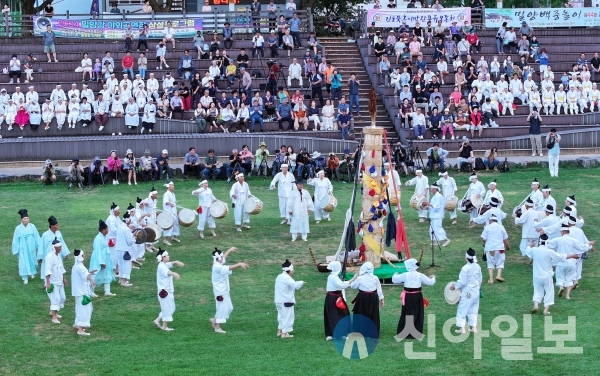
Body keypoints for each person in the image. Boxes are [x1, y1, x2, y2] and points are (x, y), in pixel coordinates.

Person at [525, 234, 580, 315]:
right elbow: (561, 257)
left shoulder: (534, 250)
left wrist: (530, 246)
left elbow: (528, 250)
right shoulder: (549, 251)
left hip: (537, 275)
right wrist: (572, 255)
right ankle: (545, 310)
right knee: (549, 292)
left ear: (539, 242)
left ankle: (536, 305)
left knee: (537, 291)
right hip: (547, 276)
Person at [391, 258, 435, 340]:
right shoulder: (420, 275)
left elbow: (394, 280)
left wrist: (395, 274)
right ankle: (415, 332)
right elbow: (430, 282)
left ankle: (405, 333)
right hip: (417, 296)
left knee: (407, 313)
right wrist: (433, 277)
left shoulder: (405, 274)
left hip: (408, 296)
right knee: (417, 313)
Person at [546, 225, 592, 300]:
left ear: (562, 232)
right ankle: (567, 295)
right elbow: (582, 247)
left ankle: (561, 287)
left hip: (561, 262)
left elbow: (549, 245)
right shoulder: (573, 240)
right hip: (571, 263)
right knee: (570, 279)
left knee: (560, 277)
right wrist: (589, 245)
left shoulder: (558, 239)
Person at [210, 247, 249, 334]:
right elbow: (229, 268)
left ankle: (214, 320)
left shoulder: (218, 262)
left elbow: (223, 258)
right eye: (221, 257)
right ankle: (217, 327)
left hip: (224, 290)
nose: (223, 258)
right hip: (220, 292)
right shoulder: (217, 267)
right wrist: (239, 264)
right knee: (222, 309)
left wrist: (229, 250)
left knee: (229, 308)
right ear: (218, 258)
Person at [450, 248, 482, 334]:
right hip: (476, 292)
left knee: (462, 310)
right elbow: (480, 279)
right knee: (473, 310)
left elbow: (462, 282)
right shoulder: (477, 266)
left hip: (467, 292)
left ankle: (462, 329)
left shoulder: (465, 268)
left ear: (466, 258)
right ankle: (474, 328)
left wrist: (455, 286)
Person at [323, 261, 357, 341]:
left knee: (333, 315)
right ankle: (337, 334)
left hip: (332, 297)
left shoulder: (332, 276)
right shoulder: (334, 277)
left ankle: (333, 333)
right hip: (335, 298)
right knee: (340, 315)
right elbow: (341, 285)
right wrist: (353, 279)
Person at [154, 248, 184, 331]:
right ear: (163, 257)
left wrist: (176, 262)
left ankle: (157, 320)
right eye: (167, 255)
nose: (168, 256)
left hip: (167, 290)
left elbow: (169, 265)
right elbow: (167, 272)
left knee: (170, 308)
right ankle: (164, 326)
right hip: (164, 291)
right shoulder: (161, 266)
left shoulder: (163, 264)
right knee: (168, 308)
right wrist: (173, 273)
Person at [274, 259, 305, 338]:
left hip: (278, 300)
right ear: (290, 270)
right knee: (288, 316)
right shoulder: (287, 278)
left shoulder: (279, 276)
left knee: (281, 316)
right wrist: (301, 282)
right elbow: (295, 285)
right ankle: (284, 334)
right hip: (286, 300)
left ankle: (280, 331)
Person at [70, 249, 96, 336]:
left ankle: (77, 324)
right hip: (82, 292)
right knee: (85, 309)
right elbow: (86, 275)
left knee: (79, 308)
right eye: (83, 255)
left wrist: (90, 273)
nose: (84, 256)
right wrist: (91, 279)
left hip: (78, 292)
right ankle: (81, 329)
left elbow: (84, 274)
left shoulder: (75, 266)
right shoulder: (80, 267)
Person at [12, 209, 40, 284]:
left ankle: (32, 272)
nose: (26, 220)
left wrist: (38, 245)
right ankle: (25, 278)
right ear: (21, 220)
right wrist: (16, 249)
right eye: (25, 218)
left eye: (27, 218)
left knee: (32, 258)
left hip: (31, 246)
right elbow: (16, 239)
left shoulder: (32, 226)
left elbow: (36, 236)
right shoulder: (18, 228)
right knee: (23, 262)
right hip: (23, 247)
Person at [90, 220, 116, 297]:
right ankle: (91, 291)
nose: (108, 230)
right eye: (107, 229)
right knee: (96, 275)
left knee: (108, 274)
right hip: (99, 260)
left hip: (106, 258)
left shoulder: (104, 237)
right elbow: (98, 251)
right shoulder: (98, 239)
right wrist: (101, 262)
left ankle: (107, 291)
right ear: (103, 230)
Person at [481, 214, 510, 283]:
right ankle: (498, 276)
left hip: (490, 248)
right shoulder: (501, 227)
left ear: (490, 220)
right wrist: (508, 247)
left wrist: (484, 245)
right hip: (500, 247)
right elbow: (505, 239)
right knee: (500, 262)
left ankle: (491, 280)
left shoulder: (487, 227)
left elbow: (484, 239)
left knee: (490, 263)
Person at [44, 237, 67, 324]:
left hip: (59, 281)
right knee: (55, 298)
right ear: (54, 247)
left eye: (61, 246)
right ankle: (54, 317)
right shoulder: (49, 257)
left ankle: (53, 312)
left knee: (62, 298)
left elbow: (61, 268)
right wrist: (48, 282)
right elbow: (47, 270)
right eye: (59, 247)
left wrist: (64, 278)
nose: (61, 248)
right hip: (53, 282)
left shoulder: (58, 256)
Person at [162, 181, 180, 246]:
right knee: (168, 226)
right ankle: (165, 240)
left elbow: (174, 203)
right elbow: (166, 202)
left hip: (173, 211)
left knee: (176, 224)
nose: (173, 186)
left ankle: (174, 237)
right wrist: (170, 204)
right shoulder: (166, 194)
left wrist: (176, 210)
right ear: (168, 187)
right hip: (168, 212)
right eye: (172, 185)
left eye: (173, 185)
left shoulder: (173, 194)